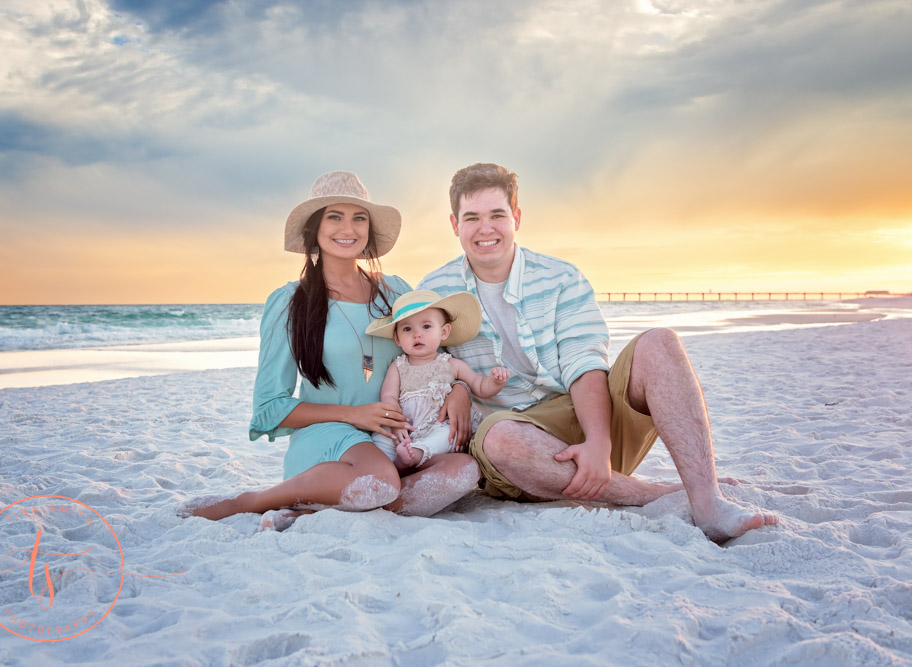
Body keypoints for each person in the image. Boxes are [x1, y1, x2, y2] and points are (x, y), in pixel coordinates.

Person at [418, 162, 778, 543]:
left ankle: (708, 503)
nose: (485, 228)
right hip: (518, 453)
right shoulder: (435, 290)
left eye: (497, 215)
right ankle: (653, 493)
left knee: (659, 341)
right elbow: (420, 361)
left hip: (586, 422)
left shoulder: (561, 278)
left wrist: (598, 443)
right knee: (499, 437)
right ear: (455, 224)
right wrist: (457, 386)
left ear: (516, 218)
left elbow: (584, 363)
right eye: (472, 218)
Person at [186, 171, 479, 528]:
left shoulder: (397, 292)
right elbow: (268, 408)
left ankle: (317, 510)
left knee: (462, 470)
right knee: (380, 480)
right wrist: (353, 415)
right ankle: (254, 501)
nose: (349, 228)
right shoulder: (289, 302)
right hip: (329, 439)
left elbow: (435, 355)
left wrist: (462, 389)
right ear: (315, 228)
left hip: (395, 438)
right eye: (335, 217)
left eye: (359, 218)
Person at [364, 289, 511, 470]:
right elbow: (389, 397)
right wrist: (396, 424)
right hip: (405, 424)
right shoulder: (398, 366)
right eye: (407, 329)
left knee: (449, 435)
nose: (417, 334)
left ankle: (414, 455)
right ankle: (386, 466)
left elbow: (480, 386)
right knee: (381, 437)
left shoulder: (451, 364)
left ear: (444, 332)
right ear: (397, 338)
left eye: (426, 327)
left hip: (437, 423)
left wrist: (495, 382)